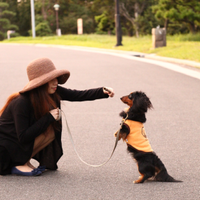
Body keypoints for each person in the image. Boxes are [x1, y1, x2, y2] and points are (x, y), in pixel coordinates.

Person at [0, 57, 114, 176]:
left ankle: (24, 161)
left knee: (51, 131)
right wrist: (48, 117)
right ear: (41, 83)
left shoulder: (53, 91)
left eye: (56, 78)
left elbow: (77, 95)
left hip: (18, 145)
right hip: (4, 151)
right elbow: (23, 136)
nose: (56, 82)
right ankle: (18, 164)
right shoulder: (21, 102)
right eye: (51, 79)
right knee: (48, 125)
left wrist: (102, 91)